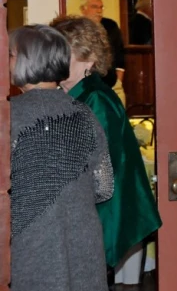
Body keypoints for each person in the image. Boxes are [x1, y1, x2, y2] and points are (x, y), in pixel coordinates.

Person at [51, 15, 162, 286]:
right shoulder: (78, 93)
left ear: (88, 60)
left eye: (63, 53)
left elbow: (90, 169)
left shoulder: (94, 98)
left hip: (102, 215)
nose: (54, 59)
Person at [9, 25, 113, 291]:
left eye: (11, 54)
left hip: (30, 245)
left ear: (25, 61)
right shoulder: (85, 114)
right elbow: (103, 188)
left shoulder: (8, 117)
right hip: (81, 243)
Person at [80, 0, 126, 104]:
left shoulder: (111, 26)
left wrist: (118, 81)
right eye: (94, 7)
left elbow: (120, 54)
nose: (99, 10)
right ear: (83, 9)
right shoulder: (78, 28)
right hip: (86, 85)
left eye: (101, 7)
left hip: (112, 83)